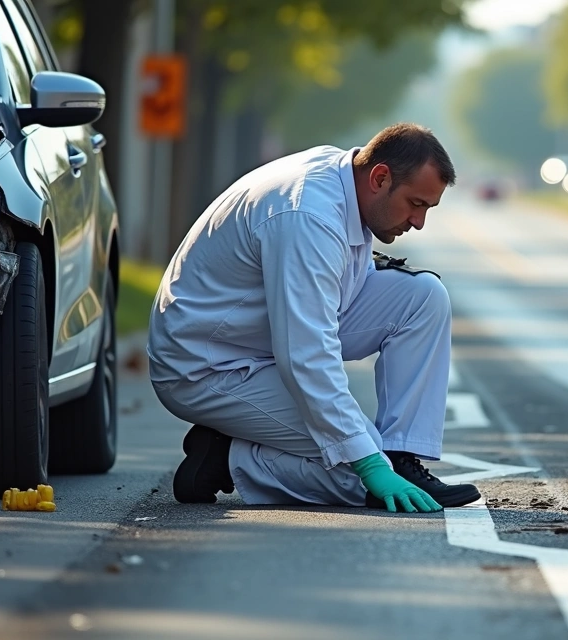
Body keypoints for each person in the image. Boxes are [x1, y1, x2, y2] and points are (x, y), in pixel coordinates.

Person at [146, 123, 479, 513]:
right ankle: (229, 457)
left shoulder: (343, 178)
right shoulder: (309, 215)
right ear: (380, 177)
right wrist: (369, 462)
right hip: (208, 367)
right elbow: (306, 354)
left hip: (260, 335)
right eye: (416, 204)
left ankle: (401, 455)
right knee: (355, 467)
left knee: (423, 298)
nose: (418, 223)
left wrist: (376, 454)